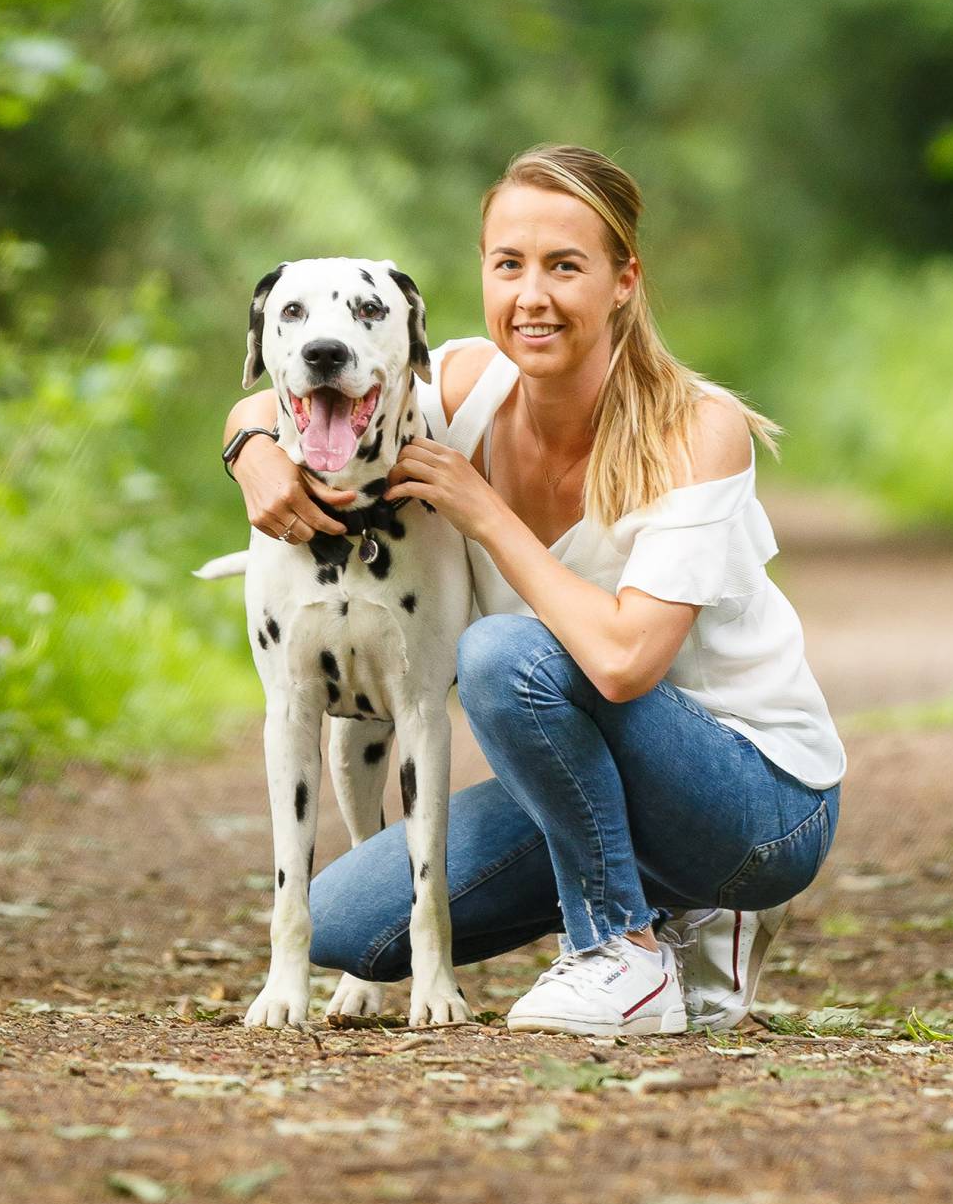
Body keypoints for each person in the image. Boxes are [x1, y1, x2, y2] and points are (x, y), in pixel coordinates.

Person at [219, 144, 845, 1035]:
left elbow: (626, 663)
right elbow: (312, 383)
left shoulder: (699, 429)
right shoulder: (465, 387)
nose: (532, 296)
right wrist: (248, 449)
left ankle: (624, 947)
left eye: (565, 266)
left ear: (624, 280)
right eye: (508, 265)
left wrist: (485, 512)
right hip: (597, 776)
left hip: (758, 801)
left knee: (503, 656)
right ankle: (672, 902)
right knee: (354, 925)